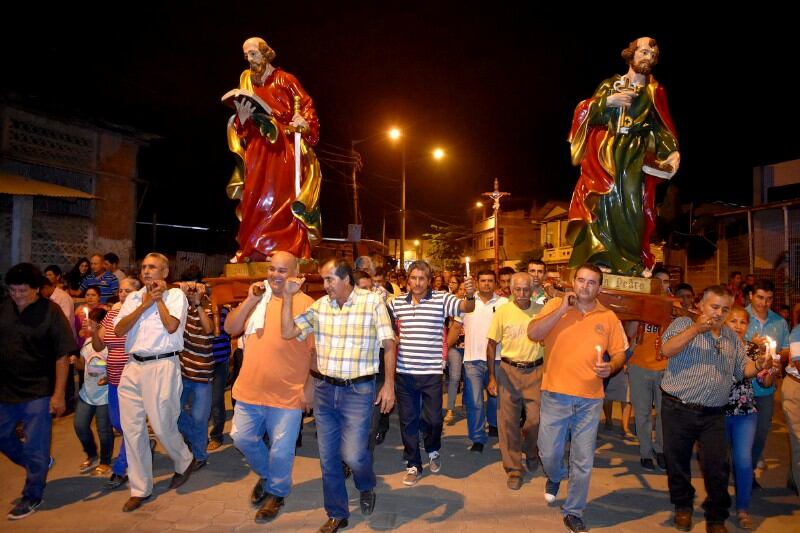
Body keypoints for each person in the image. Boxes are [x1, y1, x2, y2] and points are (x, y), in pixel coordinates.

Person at [280, 259, 397, 533]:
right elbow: (288, 332)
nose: (325, 286)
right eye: (323, 280)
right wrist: (287, 297)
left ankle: (366, 484)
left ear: (346, 279)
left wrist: (389, 384)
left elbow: (389, 344)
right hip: (325, 390)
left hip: (358, 390)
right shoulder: (321, 307)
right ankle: (337, 513)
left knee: (354, 454)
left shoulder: (372, 302)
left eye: (329, 279)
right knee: (328, 456)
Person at [660, 285, 771, 533]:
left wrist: (759, 364)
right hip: (678, 406)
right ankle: (683, 506)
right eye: (714, 307)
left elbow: (743, 370)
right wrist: (696, 330)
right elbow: (667, 349)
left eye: (725, 309)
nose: (719, 313)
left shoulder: (731, 338)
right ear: (701, 305)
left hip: (714, 413)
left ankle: (716, 517)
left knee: (717, 466)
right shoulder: (683, 324)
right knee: (677, 461)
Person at [528, 263, 629, 532]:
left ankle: (574, 511)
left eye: (592, 282)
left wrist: (612, 366)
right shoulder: (554, 306)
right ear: (573, 282)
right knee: (548, 452)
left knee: (582, 460)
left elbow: (620, 352)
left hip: (590, 400)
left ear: (600, 287)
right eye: (581, 280)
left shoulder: (608, 317)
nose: (585, 286)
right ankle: (555, 475)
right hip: (555, 395)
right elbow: (533, 333)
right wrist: (562, 308)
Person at [566, 37, 679, 275]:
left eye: (652, 55)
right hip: (604, 153)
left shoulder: (654, 91)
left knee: (632, 206)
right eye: (643, 52)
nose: (648, 58)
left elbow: (662, 127)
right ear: (631, 54)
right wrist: (608, 102)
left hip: (634, 155)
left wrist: (672, 152)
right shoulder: (610, 85)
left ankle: (629, 261)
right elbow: (586, 112)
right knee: (602, 203)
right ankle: (600, 258)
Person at [225, 251, 314, 523]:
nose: (275, 275)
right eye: (272, 269)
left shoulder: (307, 304)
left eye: (282, 270)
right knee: (241, 438)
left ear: (296, 275)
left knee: (281, 450)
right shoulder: (258, 298)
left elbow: (315, 352)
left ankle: (277, 492)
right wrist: (250, 299)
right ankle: (268, 475)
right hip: (250, 389)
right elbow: (231, 328)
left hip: (288, 392)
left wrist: (309, 388)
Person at [226, 36, 321, 261]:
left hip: (282, 148)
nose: (250, 59)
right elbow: (242, 125)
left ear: (266, 53)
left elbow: (307, 106)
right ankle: (251, 248)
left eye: (253, 54)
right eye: (246, 56)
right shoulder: (247, 81)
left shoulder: (285, 79)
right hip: (257, 149)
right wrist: (242, 117)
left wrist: (304, 121)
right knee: (253, 196)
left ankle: (282, 249)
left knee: (280, 196)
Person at [113, 253, 196, 512]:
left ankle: (184, 459)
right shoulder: (134, 298)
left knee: (161, 425)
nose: (146, 271)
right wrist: (143, 304)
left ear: (165, 272)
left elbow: (171, 326)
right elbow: (119, 330)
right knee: (132, 429)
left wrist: (158, 300)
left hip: (162, 364)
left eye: (152, 267)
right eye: (144, 267)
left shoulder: (176, 296)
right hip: (132, 366)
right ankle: (140, 488)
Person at [389, 260, 476, 486]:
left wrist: (470, 295)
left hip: (431, 373)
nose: (417, 283)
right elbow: (384, 324)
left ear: (429, 281)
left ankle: (433, 449)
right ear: (408, 280)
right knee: (408, 421)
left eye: (422, 278)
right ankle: (413, 464)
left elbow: (467, 308)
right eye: (413, 278)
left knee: (434, 420)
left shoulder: (442, 299)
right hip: (405, 373)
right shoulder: (396, 303)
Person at [0, 263, 73, 520]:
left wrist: (59, 394)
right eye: (12, 290)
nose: (17, 296)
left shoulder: (51, 312)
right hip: (6, 388)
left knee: (35, 445)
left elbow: (62, 355)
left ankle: (32, 494)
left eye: (22, 291)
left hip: (38, 390)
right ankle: (38, 465)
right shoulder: (4, 308)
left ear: (36, 289)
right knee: (3, 436)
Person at [487, 272, 545, 490]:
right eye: (517, 289)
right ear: (511, 290)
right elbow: (491, 344)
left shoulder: (542, 311)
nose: (521, 294)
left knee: (536, 420)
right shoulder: (502, 312)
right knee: (508, 423)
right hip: (508, 371)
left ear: (532, 290)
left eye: (526, 289)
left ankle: (531, 450)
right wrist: (492, 376)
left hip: (536, 372)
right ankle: (513, 469)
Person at [724, 306, 774, 529]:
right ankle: (717, 503)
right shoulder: (716, 346)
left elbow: (766, 382)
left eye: (742, 322)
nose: (737, 326)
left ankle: (743, 508)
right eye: (732, 321)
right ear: (725, 322)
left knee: (743, 461)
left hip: (745, 412)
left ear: (747, 325)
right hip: (716, 413)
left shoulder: (754, 350)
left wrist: (770, 369)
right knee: (717, 461)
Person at [92, 277, 140, 489]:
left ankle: (121, 469)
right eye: (121, 290)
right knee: (118, 423)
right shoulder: (111, 315)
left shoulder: (141, 315)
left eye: (128, 291)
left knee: (128, 425)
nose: (123, 294)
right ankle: (141, 441)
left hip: (133, 379)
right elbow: (98, 345)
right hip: (113, 378)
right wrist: (94, 330)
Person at [744, 280, 790, 486]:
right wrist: (751, 346)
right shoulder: (740, 317)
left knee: (761, 433)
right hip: (741, 387)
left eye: (769, 299)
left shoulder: (779, 322)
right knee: (739, 435)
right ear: (751, 296)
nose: (764, 303)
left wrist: (777, 357)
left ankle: (749, 470)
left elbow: (786, 349)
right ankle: (741, 473)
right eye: (760, 297)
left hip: (765, 388)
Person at [456, 269, 507, 452]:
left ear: (496, 283)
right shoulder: (467, 302)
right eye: (483, 280)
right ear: (477, 282)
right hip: (472, 359)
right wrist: (445, 351)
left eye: (490, 280)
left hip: (498, 358)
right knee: (475, 401)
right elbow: (456, 326)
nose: (486, 284)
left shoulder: (504, 303)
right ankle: (477, 438)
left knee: (495, 398)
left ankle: (493, 424)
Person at [626, 267, 671, 470]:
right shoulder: (641, 303)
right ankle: (645, 451)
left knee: (663, 414)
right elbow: (630, 333)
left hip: (665, 367)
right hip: (639, 366)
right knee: (642, 412)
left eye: (666, 282)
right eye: (658, 281)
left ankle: (660, 449)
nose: (662, 286)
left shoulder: (674, 307)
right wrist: (640, 313)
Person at [176, 277, 215, 470]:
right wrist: (182, 297)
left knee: (200, 418)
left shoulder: (208, 307)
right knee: (173, 413)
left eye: (194, 289)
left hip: (203, 376)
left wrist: (198, 303)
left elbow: (209, 329)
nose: (191, 292)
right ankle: (196, 439)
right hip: (183, 373)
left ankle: (200, 455)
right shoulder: (181, 309)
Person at [73, 307, 113, 477]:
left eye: (93, 323)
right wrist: (74, 361)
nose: (89, 326)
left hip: (105, 395)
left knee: (104, 430)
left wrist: (109, 377)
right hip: (87, 394)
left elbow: (117, 367)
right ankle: (92, 455)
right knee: (80, 426)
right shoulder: (88, 343)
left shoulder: (110, 344)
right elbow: (84, 366)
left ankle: (105, 461)